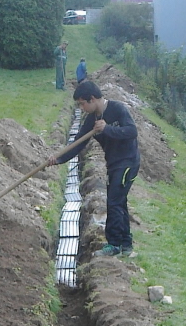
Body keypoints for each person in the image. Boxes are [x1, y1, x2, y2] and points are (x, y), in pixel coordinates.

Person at [47, 80, 140, 256]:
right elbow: (78, 144)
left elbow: (131, 131)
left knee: (114, 201)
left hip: (127, 162)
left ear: (92, 99)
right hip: (113, 164)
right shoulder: (91, 120)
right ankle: (126, 245)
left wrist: (106, 129)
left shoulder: (118, 109)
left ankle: (113, 245)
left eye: (82, 103)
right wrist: (58, 159)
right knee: (119, 201)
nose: (81, 108)